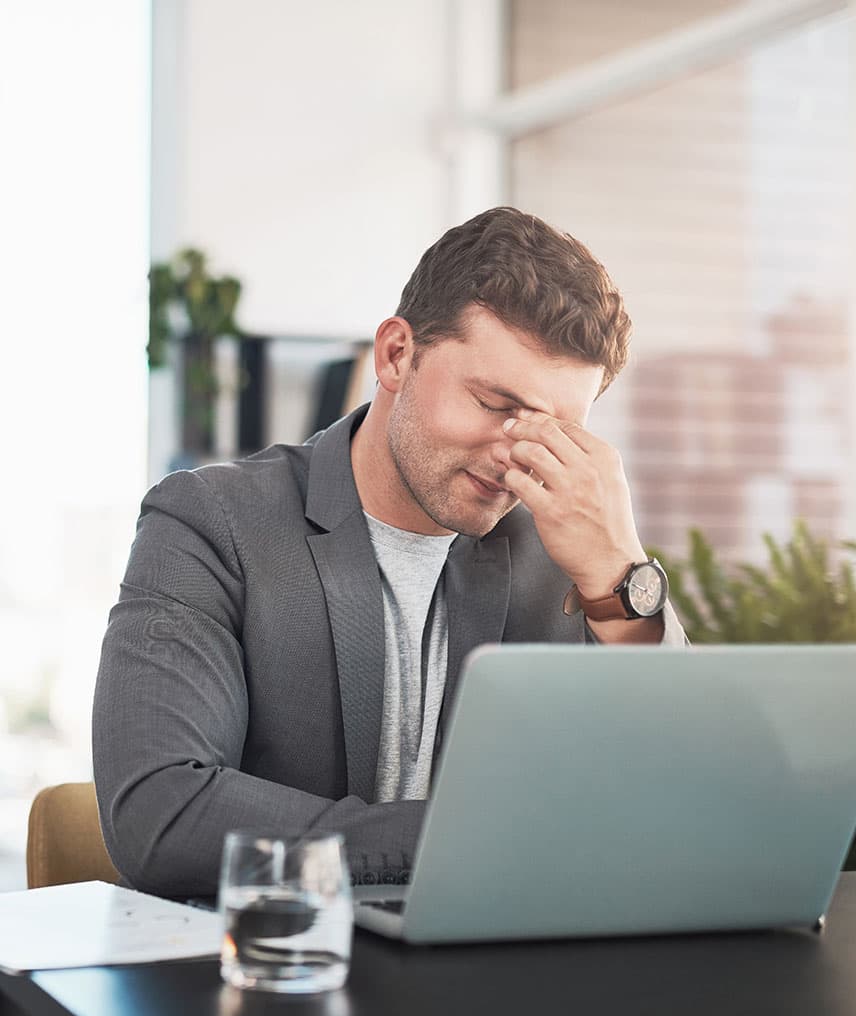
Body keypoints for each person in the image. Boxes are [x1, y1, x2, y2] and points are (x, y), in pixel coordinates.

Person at [93, 207, 685, 899]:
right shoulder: (211, 522)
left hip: (496, 974)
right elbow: (163, 816)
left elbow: (680, 799)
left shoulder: (568, 552)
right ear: (397, 354)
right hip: (274, 969)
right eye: (497, 403)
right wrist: (478, 839)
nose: (517, 454)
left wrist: (621, 574)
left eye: (559, 431)